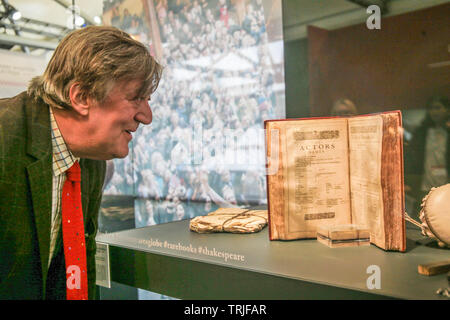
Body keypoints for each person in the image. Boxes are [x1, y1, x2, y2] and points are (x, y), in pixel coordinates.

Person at [0, 26, 162, 300]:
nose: (147, 116)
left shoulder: (90, 158)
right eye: (136, 97)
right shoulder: (5, 138)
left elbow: (75, 263)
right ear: (82, 97)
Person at [404, 95, 450, 217]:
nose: (434, 111)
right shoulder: (421, 132)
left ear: (447, 110)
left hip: (446, 180)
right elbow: (412, 157)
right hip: (425, 182)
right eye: (431, 108)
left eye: (438, 108)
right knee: (425, 215)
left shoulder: (448, 132)